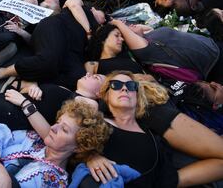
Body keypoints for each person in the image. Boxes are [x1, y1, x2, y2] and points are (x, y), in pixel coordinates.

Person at [80, 71, 223, 187]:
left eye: (131, 86)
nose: (124, 88)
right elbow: (68, 140)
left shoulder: (153, 133)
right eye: (116, 85)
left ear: (138, 94)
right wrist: (90, 156)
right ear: (106, 94)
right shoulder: (97, 122)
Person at [0, 0, 107, 91]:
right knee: (50, 60)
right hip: (57, 27)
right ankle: (4, 72)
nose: (105, 20)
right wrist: (89, 31)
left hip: (73, 50)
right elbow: (73, 5)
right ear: (93, 9)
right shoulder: (82, 6)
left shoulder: (101, 32)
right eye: (104, 16)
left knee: (77, 79)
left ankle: (29, 78)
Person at [110, 19, 222, 83]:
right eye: (125, 27)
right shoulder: (145, 50)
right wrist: (116, 23)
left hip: (214, 47)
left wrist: (132, 29)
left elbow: (146, 28)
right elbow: (128, 32)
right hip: (214, 63)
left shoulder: (148, 34)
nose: (128, 24)